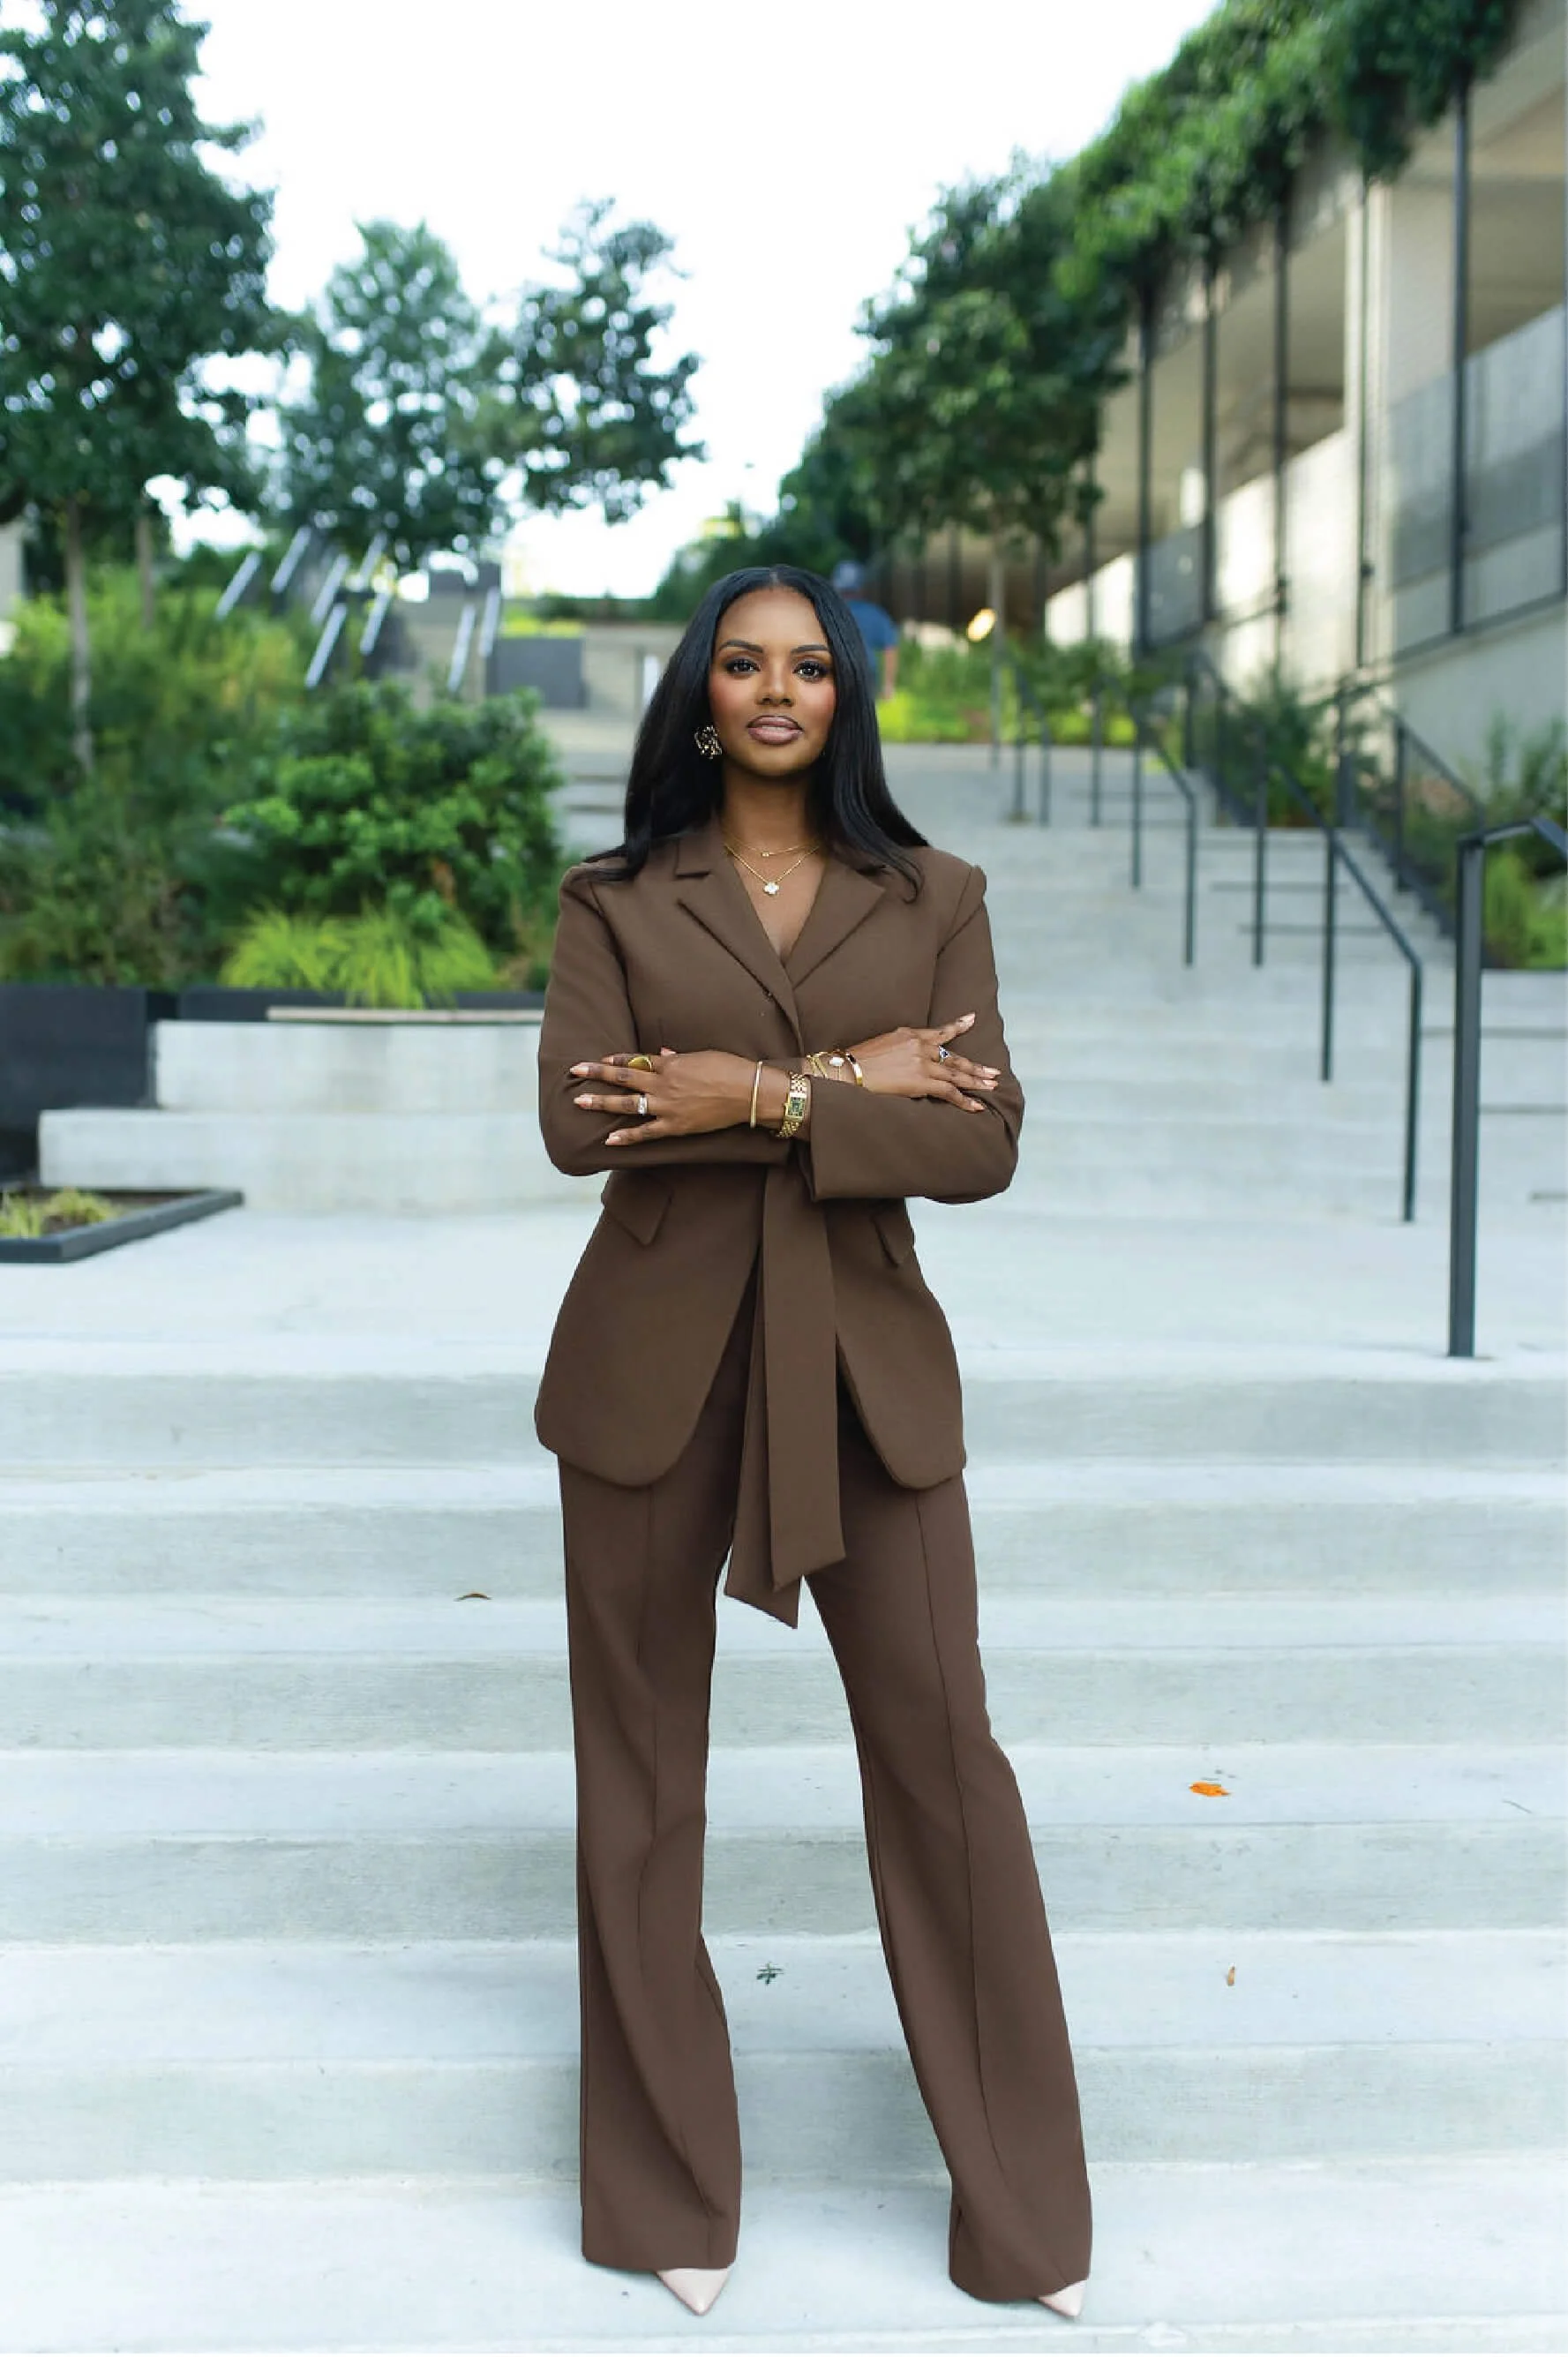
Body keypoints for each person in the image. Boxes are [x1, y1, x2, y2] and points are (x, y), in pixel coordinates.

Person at [533, 564, 1092, 2323]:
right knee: (639, 1790)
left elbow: (983, 1148)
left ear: (849, 698)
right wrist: (857, 1081)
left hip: (864, 1372)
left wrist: (754, 1091)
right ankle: (662, 2202)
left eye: (811, 669)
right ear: (699, 698)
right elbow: (580, 1119)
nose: (777, 692)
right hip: (649, 1374)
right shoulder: (614, 897)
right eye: (742, 666)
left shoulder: (939, 895)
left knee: (946, 1764)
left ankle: (1025, 2222)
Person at [831, 557, 901, 700]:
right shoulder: (876, 614)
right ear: (861, 587)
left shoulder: (827, 612)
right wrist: (888, 685)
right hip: (866, 675)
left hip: (835, 674)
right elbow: (890, 649)